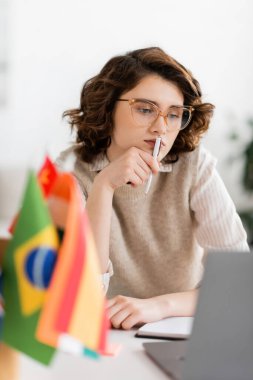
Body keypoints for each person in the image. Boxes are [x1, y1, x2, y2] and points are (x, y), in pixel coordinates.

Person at [57, 47, 249, 330]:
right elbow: (82, 297)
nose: (161, 127)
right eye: (146, 109)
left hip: (178, 328)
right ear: (107, 108)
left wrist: (160, 306)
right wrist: (103, 186)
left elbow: (237, 282)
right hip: (101, 335)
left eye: (173, 114)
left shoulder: (195, 166)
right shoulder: (68, 171)